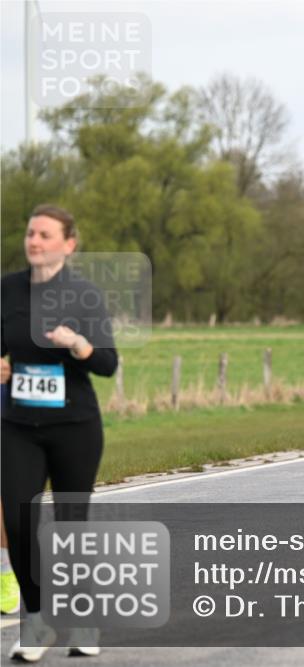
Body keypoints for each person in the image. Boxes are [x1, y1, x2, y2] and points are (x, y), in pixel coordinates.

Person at [2, 204, 118, 661]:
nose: (34, 241)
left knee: (71, 528)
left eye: (45, 235)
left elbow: (108, 364)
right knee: (17, 521)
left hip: (74, 428)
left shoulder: (84, 295)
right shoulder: (6, 290)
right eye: (31, 233)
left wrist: (78, 344)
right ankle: (37, 622)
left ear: (68, 244)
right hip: (18, 427)